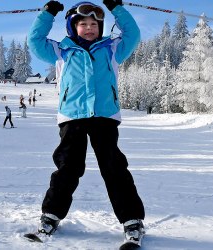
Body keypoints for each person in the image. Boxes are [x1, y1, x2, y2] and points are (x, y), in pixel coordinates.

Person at [27, 0, 145, 244]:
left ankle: (132, 219)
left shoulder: (112, 49)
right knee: (68, 167)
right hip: (73, 117)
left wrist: (117, 9)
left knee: (113, 168)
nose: (89, 28)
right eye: (83, 24)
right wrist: (47, 14)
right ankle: (51, 215)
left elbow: (132, 34)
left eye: (94, 24)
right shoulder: (62, 51)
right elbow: (35, 42)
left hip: (104, 116)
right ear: (73, 27)